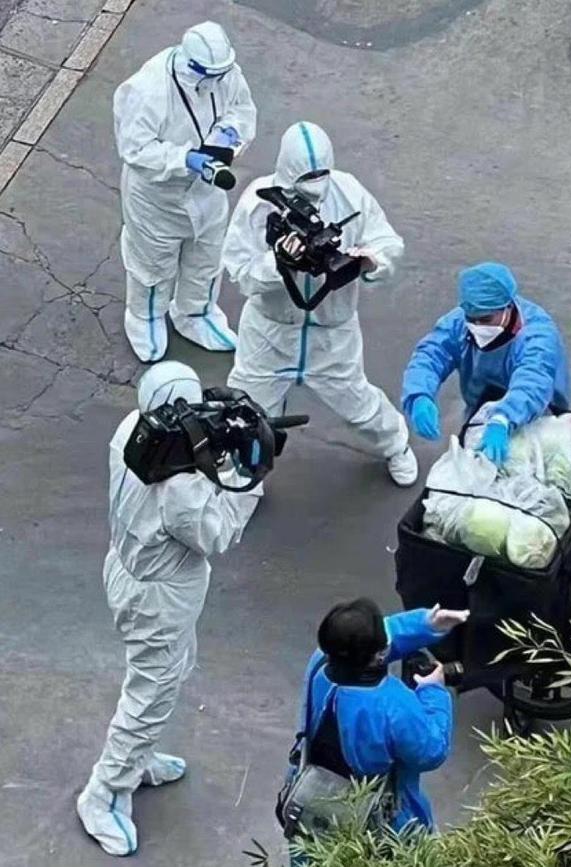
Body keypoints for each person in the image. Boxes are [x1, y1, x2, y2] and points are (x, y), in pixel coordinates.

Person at [77, 361, 263, 856]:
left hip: (127, 571)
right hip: (158, 597)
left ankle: (136, 758)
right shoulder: (180, 491)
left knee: (172, 676)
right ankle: (105, 791)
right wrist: (250, 475)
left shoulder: (130, 434)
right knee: (148, 695)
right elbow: (218, 534)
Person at [221, 121, 419, 487]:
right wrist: (277, 262)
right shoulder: (258, 202)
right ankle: (247, 474)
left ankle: (396, 445)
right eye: (306, 177)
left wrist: (370, 260)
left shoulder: (350, 195)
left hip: (332, 334)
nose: (316, 184)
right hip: (269, 333)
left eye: (321, 174)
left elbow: (388, 243)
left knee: (359, 404)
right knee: (247, 409)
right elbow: (241, 272)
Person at [113, 21, 257, 362]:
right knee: (152, 264)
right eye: (212, 74)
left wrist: (227, 138)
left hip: (206, 191)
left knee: (207, 257)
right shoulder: (148, 90)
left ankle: (196, 312)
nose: (219, 80)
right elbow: (135, 149)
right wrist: (185, 159)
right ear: (190, 64)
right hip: (157, 197)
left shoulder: (227, 75)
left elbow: (242, 110)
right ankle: (145, 316)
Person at [287, 597, 468, 858]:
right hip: (378, 827)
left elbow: (373, 636)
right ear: (379, 654)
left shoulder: (320, 663)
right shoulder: (390, 704)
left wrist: (427, 624)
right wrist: (433, 690)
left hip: (312, 803)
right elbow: (431, 750)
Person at [402, 262, 570, 466]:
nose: (477, 326)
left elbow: (533, 381)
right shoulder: (459, 323)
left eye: (486, 319)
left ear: (507, 307)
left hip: (534, 408)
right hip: (480, 399)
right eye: (471, 318)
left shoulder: (537, 336)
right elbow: (431, 354)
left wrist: (503, 419)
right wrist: (419, 394)